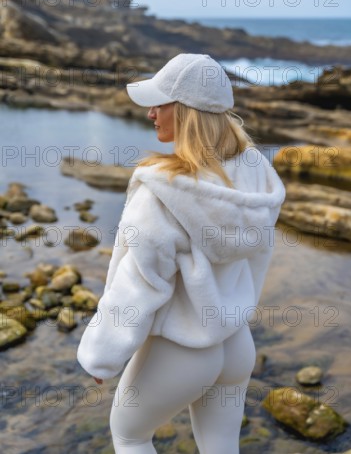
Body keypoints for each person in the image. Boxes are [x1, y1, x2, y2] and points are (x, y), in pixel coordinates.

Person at [77, 53, 286, 453]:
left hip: (183, 351)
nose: (151, 113)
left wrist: (102, 356)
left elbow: (137, 284)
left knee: (130, 436)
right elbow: (258, 259)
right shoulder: (255, 173)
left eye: (161, 103)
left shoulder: (162, 192)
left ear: (188, 112)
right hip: (235, 343)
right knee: (221, 443)